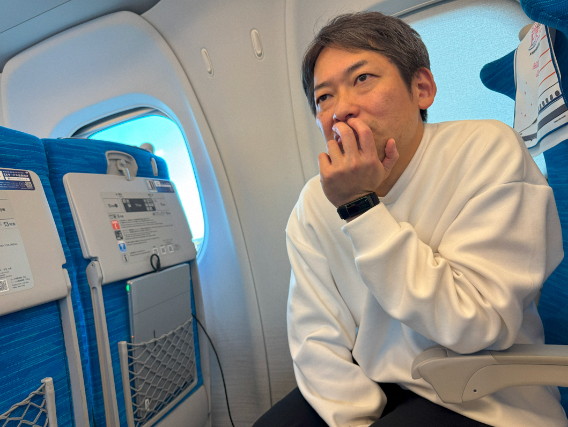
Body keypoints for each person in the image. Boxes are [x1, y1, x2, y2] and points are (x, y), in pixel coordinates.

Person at [254, 10, 567, 427]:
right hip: (380, 381)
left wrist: (361, 207)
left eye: (362, 78)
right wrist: (352, 419)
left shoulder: (486, 150)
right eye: (323, 97)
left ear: (422, 88)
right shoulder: (315, 201)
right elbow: (317, 336)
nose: (340, 110)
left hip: (483, 392)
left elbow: (476, 325)